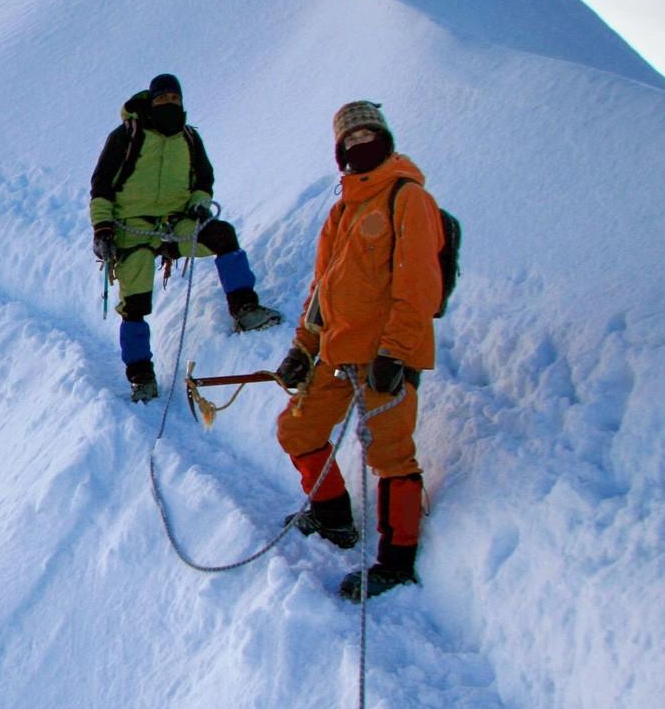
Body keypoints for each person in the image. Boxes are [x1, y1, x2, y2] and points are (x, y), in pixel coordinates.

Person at [273, 100, 444, 601]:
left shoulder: (408, 198)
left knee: (390, 454)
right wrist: (303, 348)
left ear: (385, 140)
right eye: (350, 139)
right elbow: (321, 291)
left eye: (368, 135)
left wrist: (396, 352)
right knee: (298, 430)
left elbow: (418, 286)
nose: (359, 144)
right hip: (337, 353)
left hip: (386, 357)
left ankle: (397, 562)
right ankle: (333, 519)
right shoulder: (342, 210)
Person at [90, 73, 282, 402]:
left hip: (176, 224)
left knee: (222, 236)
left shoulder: (189, 138)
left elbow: (203, 181)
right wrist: (103, 229)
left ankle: (244, 309)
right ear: (151, 101)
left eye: (174, 99)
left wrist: (198, 205)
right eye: (162, 99)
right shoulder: (126, 136)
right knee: (134, 305)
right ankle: (140, 376)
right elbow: (102, 187)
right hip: (130, 229)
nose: (169, 103)